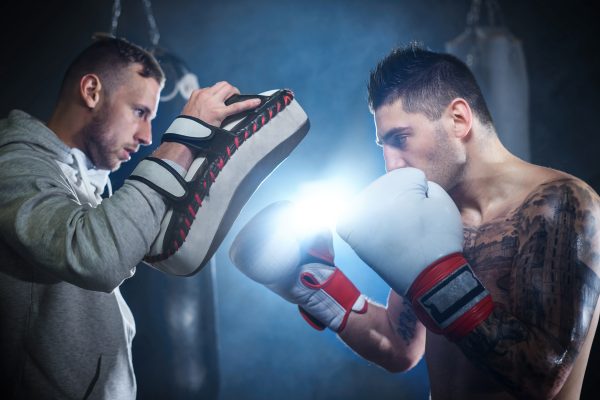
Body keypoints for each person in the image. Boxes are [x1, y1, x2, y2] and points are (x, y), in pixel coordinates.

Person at [229, 44, 600, 399]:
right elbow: (399, 346)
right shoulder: (433, 214)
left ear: (458, 119)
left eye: (401, 138)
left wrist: (440, 283)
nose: (391, 164)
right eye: (384, 146)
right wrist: (315, 286)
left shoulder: (560, 203)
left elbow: (540, 377)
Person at [0, 36, 261, 399]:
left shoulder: (86, 184)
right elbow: (97, 258)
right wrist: (183, 139)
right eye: (140, 112)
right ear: (91, 91)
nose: (147, 136)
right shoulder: (13, 164)